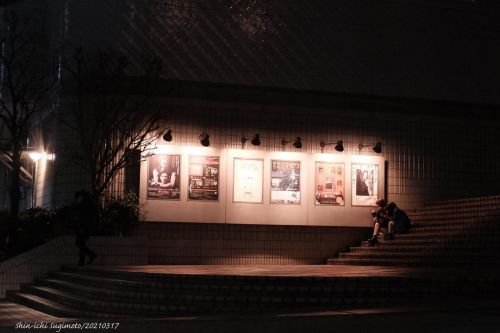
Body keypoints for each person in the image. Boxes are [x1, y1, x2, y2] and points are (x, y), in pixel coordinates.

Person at [74, 190, 98, 266]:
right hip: (86, 227)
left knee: (80, 243)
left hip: (85, 227)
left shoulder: (85, 204)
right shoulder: (88, 203)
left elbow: (84, 217)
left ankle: (86, 258)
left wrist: (81, 227)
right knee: (81, 243)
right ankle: (87, 257)